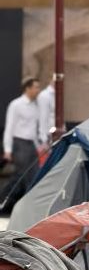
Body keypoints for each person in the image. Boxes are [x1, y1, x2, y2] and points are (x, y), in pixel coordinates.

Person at [2, 77, 41, 212]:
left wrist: (37, 147)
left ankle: (22, 207)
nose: (38, 90)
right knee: (21, 175)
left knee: (33, 174)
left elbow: (33, 129)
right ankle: (4, 202)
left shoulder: (35, 106)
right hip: (19, 144)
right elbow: (9, 127)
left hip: (31, 145)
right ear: (27, 88)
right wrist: (7, 149)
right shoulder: (16, 104)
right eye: (36, 87)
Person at [37, 80, 55, 146]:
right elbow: (43, 117)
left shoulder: (58, 94)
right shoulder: (44, 96)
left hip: (58, 132)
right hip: (49, 134)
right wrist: (43, 137)